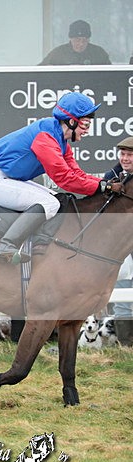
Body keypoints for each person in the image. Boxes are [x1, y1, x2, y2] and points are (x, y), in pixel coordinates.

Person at [0, 91, 120, 264]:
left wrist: (103, 183)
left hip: (10, 179)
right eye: (84, 124)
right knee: (50, 203)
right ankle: (6, 246)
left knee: (57, 199)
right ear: (70, 121)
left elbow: (78, 174)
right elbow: (65, 179)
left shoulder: (60, 140)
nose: (87, 130)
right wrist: (103, 187)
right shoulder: (45, 138)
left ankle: (38, 245)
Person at [105, 136, 133, 345]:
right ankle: (125, 344)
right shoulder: (112, 176)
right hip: (119, 245)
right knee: (122, 290)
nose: (125, 158)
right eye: (122, 154)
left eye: (130, 155)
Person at [40, 20, 111, 66]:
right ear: (71, 39)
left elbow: (112, 74)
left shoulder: (98, 53)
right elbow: (39, 70)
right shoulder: (58, 53)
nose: (81, 44)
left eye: (84, 40)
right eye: (77, 40)